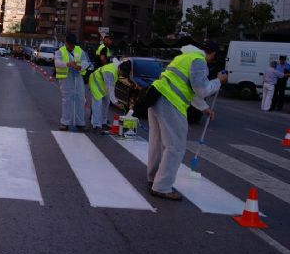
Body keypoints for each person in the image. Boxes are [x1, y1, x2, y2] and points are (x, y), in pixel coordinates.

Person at [146, 42, 227, 201]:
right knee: (175, 147)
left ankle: (154, 178)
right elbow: (201, 89)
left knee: (157, 143)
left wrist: (203, 107)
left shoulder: (184, 57)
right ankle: (162, 187)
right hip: (171, 102)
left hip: (157, 97)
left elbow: (188, 87)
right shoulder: (198, 60)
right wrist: (219, 81)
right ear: (212, 54)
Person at [55, 33, 90, 132]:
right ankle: (65, 123)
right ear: (65, 43)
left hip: (78, 77)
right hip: (66, 79)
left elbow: (86, 62)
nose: (71, 46)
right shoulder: (60, 51)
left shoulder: (79, 50)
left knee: (80, 100)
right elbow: (57, 63)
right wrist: (67, 64)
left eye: (72, 45)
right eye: (69, 44)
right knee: (67, 100)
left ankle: (80, 123)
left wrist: (80, 66)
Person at [89, 58, 131, 132]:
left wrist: (114, 101)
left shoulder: (118, 68)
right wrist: (116, 103)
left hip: (103, 83)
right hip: (95, 81)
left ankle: (103, 123)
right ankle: (96, 125)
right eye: (122, 73)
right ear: (120, 68)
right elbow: (110, 89)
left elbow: (111, 86)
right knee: (97, 103)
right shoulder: (110, 72)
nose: (122, 75)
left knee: (106, 102)